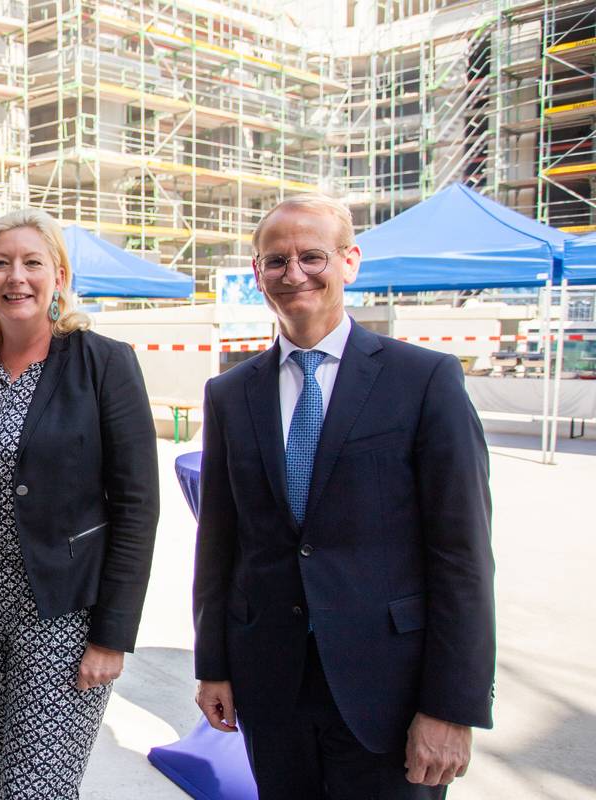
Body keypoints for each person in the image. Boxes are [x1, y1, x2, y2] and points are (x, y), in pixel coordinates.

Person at [192, 195, 495, 799]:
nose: (293, 273)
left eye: (312, 256)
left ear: (350, 261)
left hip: (390, 693)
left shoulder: (424, 380)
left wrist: (451, 707)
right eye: (276, 260)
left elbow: (463, 556)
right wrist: (214, 665)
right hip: (272, 686)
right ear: (257, 274)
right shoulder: (230, 393)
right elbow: (219, 544)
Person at [0, 208, 160, 799]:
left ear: (59, 275)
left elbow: (136, 505)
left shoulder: (103, 363)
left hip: (60, 611)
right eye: (0, 263)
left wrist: (112, 635)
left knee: (38, 789)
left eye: (32, 262)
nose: (15, 277)